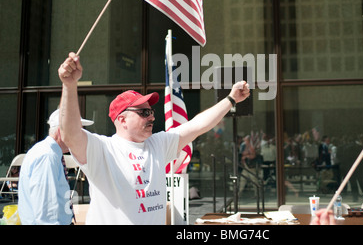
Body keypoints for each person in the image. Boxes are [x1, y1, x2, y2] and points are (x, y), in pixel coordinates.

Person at [58, 52, 250, 224]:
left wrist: (230, 99)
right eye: (143, 111)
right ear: (122, 119)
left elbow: (198, 125)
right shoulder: (102, 149)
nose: (151, 116)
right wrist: (69, 85)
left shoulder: (158, 144)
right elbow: (71, 134)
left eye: (150, 111)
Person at [18, 109, 94, 225]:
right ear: (60, 131)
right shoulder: (47, 156)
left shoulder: (49, 153)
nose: (81, 135)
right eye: (77, 130)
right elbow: (47, 211)